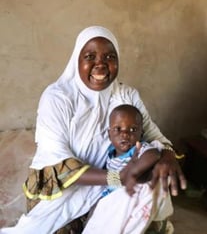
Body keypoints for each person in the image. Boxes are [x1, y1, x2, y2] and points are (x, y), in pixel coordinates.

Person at [0, 26, 186, 234]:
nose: (101, 65)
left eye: (109, 57)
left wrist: (168, 157)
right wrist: (119, 177)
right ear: (76, 60)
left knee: (143, 207)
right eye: (90, 56)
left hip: (114, 182)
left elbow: (153, 136)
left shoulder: (126, 95)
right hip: (64, 190)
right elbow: (59, 165)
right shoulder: (57, 98)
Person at [82, 104, 173, 233]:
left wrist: (133, 172)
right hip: (109, 197)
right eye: (118, 129)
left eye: (132, 129)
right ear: (109, 134)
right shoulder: (109, 152)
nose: (124, 134)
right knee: (96, 218)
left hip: (126, 196)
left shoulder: (137, 149)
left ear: (141, 134)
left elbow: (153, 154)